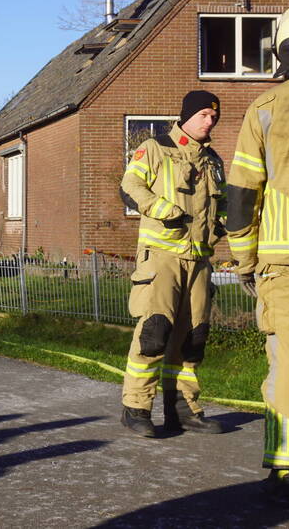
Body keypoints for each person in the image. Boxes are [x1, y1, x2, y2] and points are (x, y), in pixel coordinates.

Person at [226, 1, 289, 507]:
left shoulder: (265, 108)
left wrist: (244, 258)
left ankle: (288, 465)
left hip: (285, 260)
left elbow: (241, 193)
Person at [119, 91, 226, 438]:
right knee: (154, 334)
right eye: (204, 115)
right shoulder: (155, 148)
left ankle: (183, 409)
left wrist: (224, 224)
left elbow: (221, 205)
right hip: (162, 258)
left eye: (214, 117)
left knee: (193, 339)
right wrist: (163, 210)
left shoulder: (213, 161)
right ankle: (136, 408)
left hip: (199, 260)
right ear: (186, 116)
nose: (209, 121)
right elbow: (130, 185)